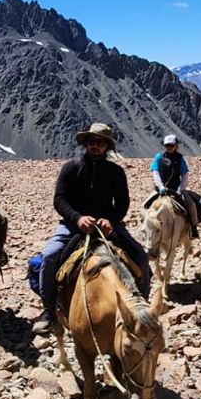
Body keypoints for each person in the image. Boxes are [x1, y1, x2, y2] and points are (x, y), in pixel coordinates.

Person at [32, 122, 152, 334]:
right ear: (85, 143)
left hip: (107, 227)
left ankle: (141, 309)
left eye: (100, 142)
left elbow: (122, 202)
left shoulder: (116, 172)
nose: (95, 146)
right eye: (91, 141)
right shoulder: (71, 167)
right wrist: (77, 219)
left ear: (107, 146)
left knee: (140, 257)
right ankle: (49, 311)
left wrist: (111, 220)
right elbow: (60, 199)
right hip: (73, 226)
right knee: (49, 257)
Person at [145, 134, 199, 238]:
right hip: (161, 189)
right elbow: (155, 173)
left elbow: (185, 175)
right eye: (167, 146)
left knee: (191, 205)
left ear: (176, 146)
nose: (169, 148)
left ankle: (193, 227)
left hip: (176, 189)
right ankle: (145, 226)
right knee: (145, 205)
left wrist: (179, 190)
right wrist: (160, 186)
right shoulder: (158, 157)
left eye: (171, 145)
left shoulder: (180, 159)